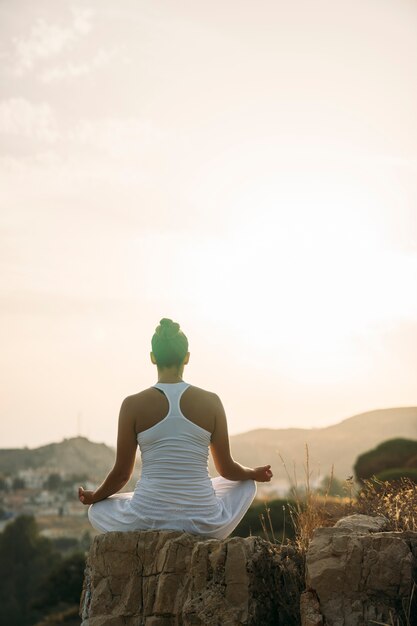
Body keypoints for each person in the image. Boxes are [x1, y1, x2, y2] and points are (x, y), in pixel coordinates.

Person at [79, 318, 273, 539]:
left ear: (152, 358)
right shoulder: (211, 402)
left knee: (98, 511)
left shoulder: (132, 405)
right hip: (203, 520)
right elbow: (227, 469)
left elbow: (122, 474)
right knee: (246, 485)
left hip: (148, 517)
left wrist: (95, 496)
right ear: (186, 357)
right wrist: (253, 473)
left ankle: (153, 509)